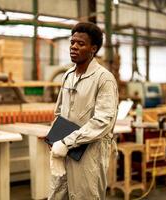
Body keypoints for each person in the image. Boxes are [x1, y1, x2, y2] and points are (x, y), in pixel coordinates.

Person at [49, 22, 119, 200]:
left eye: (80, 44)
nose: (73, 47)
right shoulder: (68, 76)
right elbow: (59, 112)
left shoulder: (104, 79)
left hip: (90, 154)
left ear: (93, 49)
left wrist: (67, 142)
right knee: (58, 194)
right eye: (72, 42)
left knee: (85, 196)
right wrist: (55, 140)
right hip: (64, 150)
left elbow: (103, 121)